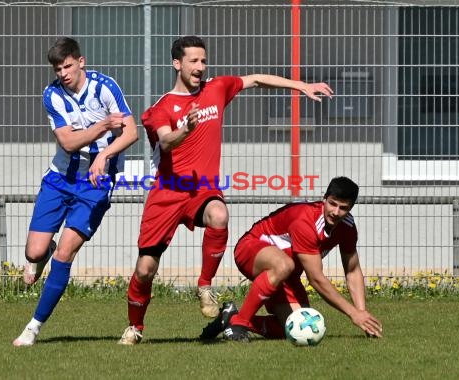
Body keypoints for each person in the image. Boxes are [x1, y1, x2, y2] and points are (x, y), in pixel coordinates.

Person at [118, 35, 333, 345]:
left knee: (219, 214)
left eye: (203, 61)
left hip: (201, 190)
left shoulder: (216, 89)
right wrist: (186, 130)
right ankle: (135, 327)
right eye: (193, 61)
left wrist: (301, 87)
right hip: (167, 193)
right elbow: (165, 140)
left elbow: (256, 79)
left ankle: (205, 285)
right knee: (145, 270)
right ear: (177, 64)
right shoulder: (161, 107)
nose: (201, 67)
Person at [13, 36, 138, 346]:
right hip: (59, 179)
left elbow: (133, 131)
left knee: (66, 251)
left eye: (67, 66)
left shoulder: (105, 87)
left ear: (81, 62)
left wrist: (104, 155)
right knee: (34, 252)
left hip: (95, 184)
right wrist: (103, 127)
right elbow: (68, 142)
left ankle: (33, 327)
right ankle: (42, 255)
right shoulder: (52, 95)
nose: (63, 73)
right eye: (58, 68)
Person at [200, 176, 383, 343]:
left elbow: (352, 270)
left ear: (351, 208)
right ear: (324, 199)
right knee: (284, 264)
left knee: (299, 325)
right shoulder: (305, 222)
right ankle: (240, 322)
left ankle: (230, 318)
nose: (335, 212)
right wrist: (353, 314)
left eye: (343, 208)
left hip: (286, 273)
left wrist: (362, 314)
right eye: (332, 204)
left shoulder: (348, 228)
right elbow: (316, 279)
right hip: (251, 249)